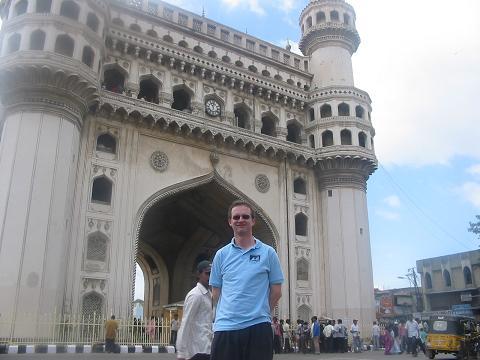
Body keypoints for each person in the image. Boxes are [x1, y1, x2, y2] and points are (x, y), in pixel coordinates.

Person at [209, 200, 284, 360]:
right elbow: (216, 292)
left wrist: (260, 311)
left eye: (245, 216)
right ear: (230, 221)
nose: (240, 220)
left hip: (258, 327)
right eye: (236, 217)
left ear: (253, 220)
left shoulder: (268, 253)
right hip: (226, 328)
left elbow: (276, 291)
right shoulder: (221, 255)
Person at [176, 260, 213, 360]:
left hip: (209, 347)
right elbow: (186, 322)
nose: (210, 277)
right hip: (197, 350)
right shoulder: (195, 295)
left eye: (212, 274)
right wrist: (181, 352)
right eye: (207, 273)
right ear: (198, 274)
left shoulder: (210, 294)